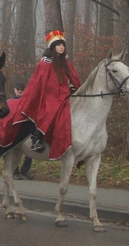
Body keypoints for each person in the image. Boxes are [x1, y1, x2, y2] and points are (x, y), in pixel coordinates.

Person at [15, 30, 81, 158]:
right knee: (51, 108)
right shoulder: (45, 63)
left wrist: (73, 88)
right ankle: (36, 138)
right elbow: (42, 82)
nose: (62, 47)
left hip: (64, 95)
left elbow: (73, 78)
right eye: (58, 45)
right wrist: (59, 92)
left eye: (63, 45)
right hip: (49, 95)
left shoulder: (66, 63)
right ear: (53, 47)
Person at [11, 83, 34, 180]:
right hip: (15, 130)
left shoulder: (27, 101)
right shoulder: (11, 102)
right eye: (18, 89)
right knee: (15, 152)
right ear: (14, 90)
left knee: (30, 151)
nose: (20, 91)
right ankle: (15, 172)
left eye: (22, 89)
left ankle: (25, 170)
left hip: (27, 130)